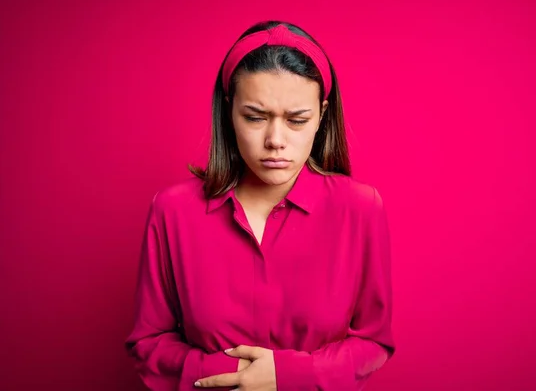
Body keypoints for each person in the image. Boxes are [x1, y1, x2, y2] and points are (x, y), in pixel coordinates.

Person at [125, 20, 395, 391]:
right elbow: (148, 343)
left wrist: (289, 376)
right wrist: (231, 376)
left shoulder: (361, 208)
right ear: (228, 111)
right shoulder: (172, 210)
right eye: (254, 117)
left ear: (321, 115)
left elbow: (373, 342)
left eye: (297, 120)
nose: (275, 140)